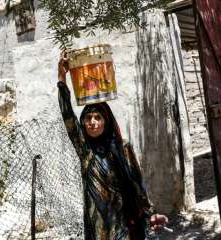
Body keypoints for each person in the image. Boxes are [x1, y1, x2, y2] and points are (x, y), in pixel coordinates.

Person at [57, 52, 168, 240]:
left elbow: (137, 185)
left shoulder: (123, 148)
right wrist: (61, 77)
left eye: (97, 117)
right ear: (83, 122)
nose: (92, 122)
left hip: (125, 225)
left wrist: (150, 214)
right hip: (99, 230)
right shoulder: (85, 150)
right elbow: (68, 115)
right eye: (88, 118)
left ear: (106, 121)